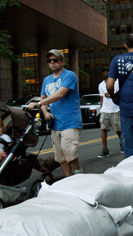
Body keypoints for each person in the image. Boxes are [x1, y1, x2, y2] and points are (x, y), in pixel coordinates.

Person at [28, 49, 83, 177]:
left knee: (68, 149)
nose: (52, 62)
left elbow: (60, 94)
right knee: (60, 155)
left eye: (55, 60)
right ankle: (69, 178)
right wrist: (45, 112)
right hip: (55, 122)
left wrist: (39, 104)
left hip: (70, 120)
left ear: (62, 62)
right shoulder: (47, 80)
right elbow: (43, 98)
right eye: (49, 60)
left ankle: (78, 170)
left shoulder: (69, 75)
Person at [98, 66, 123, 158]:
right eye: (104, 71)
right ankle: (105, 149)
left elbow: (120, 94)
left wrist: (111, 94)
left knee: (118, 129)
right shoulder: (101, 85)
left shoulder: (117, 82)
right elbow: (101, 99)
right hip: (105, 110)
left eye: (107, 70)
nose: (106, 72)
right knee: (103, 129)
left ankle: (122, 143)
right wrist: (101, 109)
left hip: (116, 109)